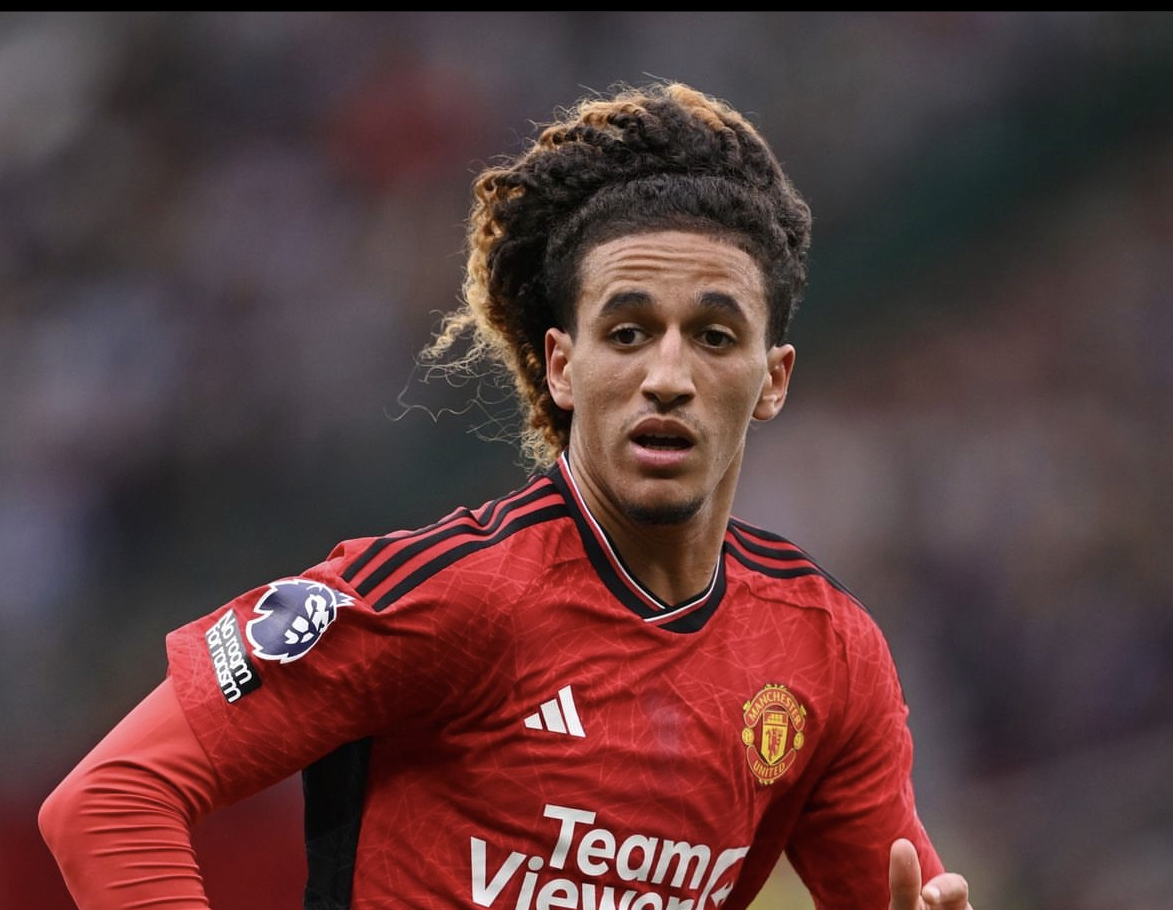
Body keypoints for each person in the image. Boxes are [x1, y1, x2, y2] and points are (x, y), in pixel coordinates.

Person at [39, 79, 975, 910]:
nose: (667, 377)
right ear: (562, 366)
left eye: (714, 337)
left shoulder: (823, 653)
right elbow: (111, 799)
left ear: (771, 380)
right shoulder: (447, 595)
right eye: (627, 332)